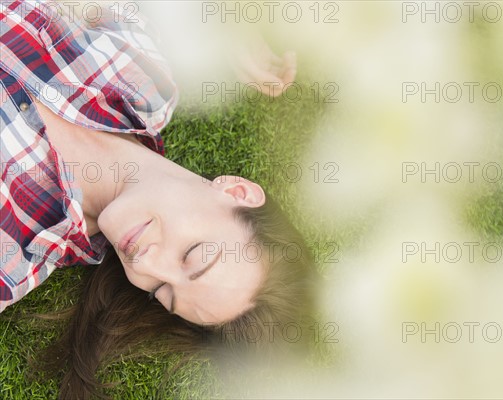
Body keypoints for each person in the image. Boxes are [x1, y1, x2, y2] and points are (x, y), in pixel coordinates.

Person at [0, 1, 316, 398]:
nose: (145, 264)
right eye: (194, 256)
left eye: (160, 292)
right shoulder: (146, 73)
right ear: (236, 191)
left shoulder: (14, 255)